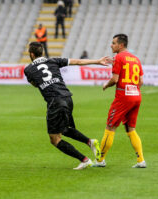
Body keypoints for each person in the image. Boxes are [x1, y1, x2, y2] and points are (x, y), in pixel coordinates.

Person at [24, 42, 112, 170]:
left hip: (55, 101)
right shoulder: (53, 60)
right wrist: (97, 61)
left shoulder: (28, 69)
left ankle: (84, 160)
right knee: (65, 129)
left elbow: (35, 84)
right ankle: (90, 142)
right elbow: (76, 61)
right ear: (42, 52)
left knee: (55, 139)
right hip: (67, 97)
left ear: (31, 54)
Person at [93, 34, 146, 168]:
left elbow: (115, 79)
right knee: (130, 128)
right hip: (136, 96)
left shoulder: (119, 57)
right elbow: (141, 81)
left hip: (123, 97)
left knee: (110, 127)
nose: (111, 45)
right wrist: (132, 90)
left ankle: (100, 160)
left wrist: (106, 85)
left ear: (121, 45)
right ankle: (141, 161)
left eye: (113, 43)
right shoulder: (136, 59)